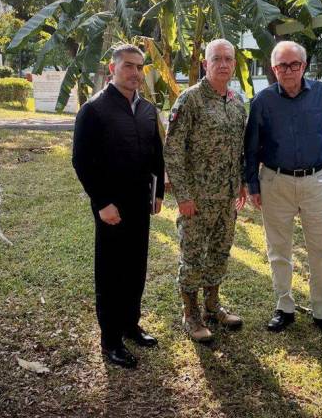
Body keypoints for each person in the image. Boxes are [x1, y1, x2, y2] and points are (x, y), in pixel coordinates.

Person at [245, 41, 322, 341]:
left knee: (320, 249)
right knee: (279, 249)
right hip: (275, 182)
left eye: (294, 64)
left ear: (304, 66)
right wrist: (253, 184)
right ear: (273, 69)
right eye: (281, 66)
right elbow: (251, 148)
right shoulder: (262, 101)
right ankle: (284, 307)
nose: (288, 71)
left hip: (316, 180)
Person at [72, 44, 165, 368]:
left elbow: (156, 154)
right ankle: (110, 339)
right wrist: (102, 203)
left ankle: (130, 325)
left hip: (140, 203)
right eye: (128, 66)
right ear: (112, 69)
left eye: (140, 67)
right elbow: (82, 161)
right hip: (111, 207)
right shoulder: (94, 110)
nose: (135, 73)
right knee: (111, 273)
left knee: (136, 267)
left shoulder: (148, 110)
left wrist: (158, 194)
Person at [164, 39, 247, 343]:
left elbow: (239, 149)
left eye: (228, 59)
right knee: (193, 255)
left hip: (226, 198)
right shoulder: (190, 100)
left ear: (234, 64)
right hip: (196, 200)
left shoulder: (238, 103)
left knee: (219, 252)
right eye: (217, 59)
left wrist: (240, 184)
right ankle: (191, 314)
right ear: (205, 64)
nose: (223, 64)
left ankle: (213, 306)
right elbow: (172, 151)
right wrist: (183, 195)